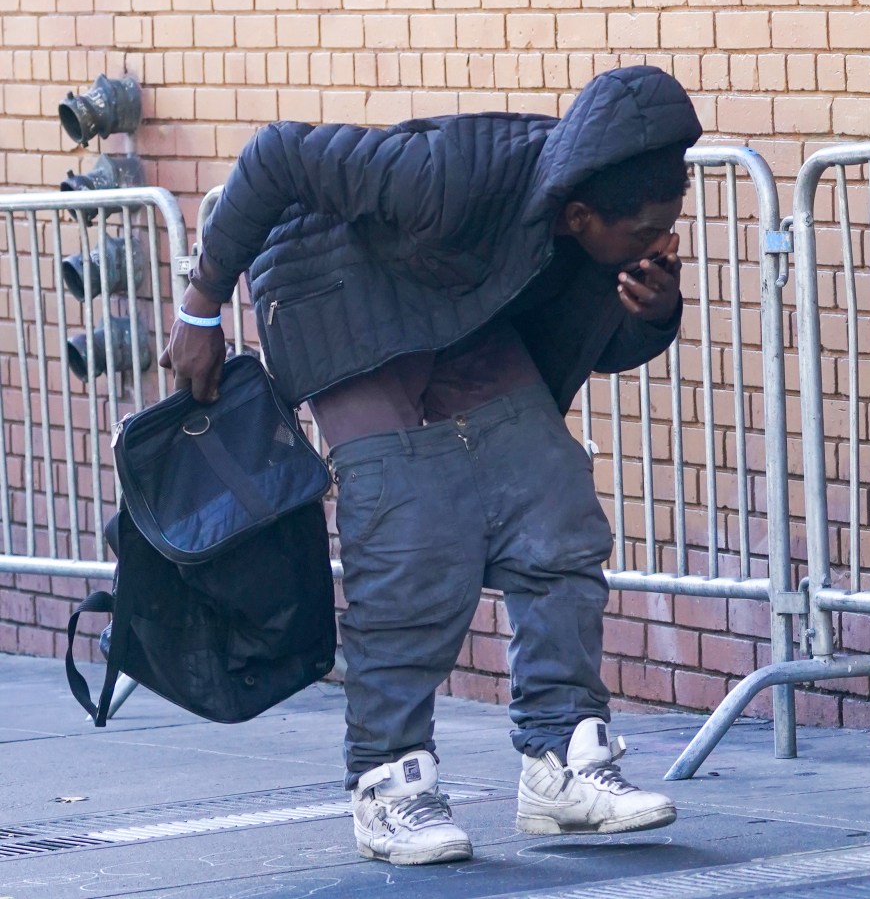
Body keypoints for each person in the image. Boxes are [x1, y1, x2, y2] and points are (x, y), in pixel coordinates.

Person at [160, 65, 703, 866]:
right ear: (584, 214)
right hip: (338, 298)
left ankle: (560, 761)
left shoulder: (581, 215)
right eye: (643, 231)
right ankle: (389, 782)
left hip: (453, 314)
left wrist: (654, 313)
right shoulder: (447, 175)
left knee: (553, 506)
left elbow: (582, 336)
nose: (660, 241)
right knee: (412, 533)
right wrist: (199, 307)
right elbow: (274, 153)